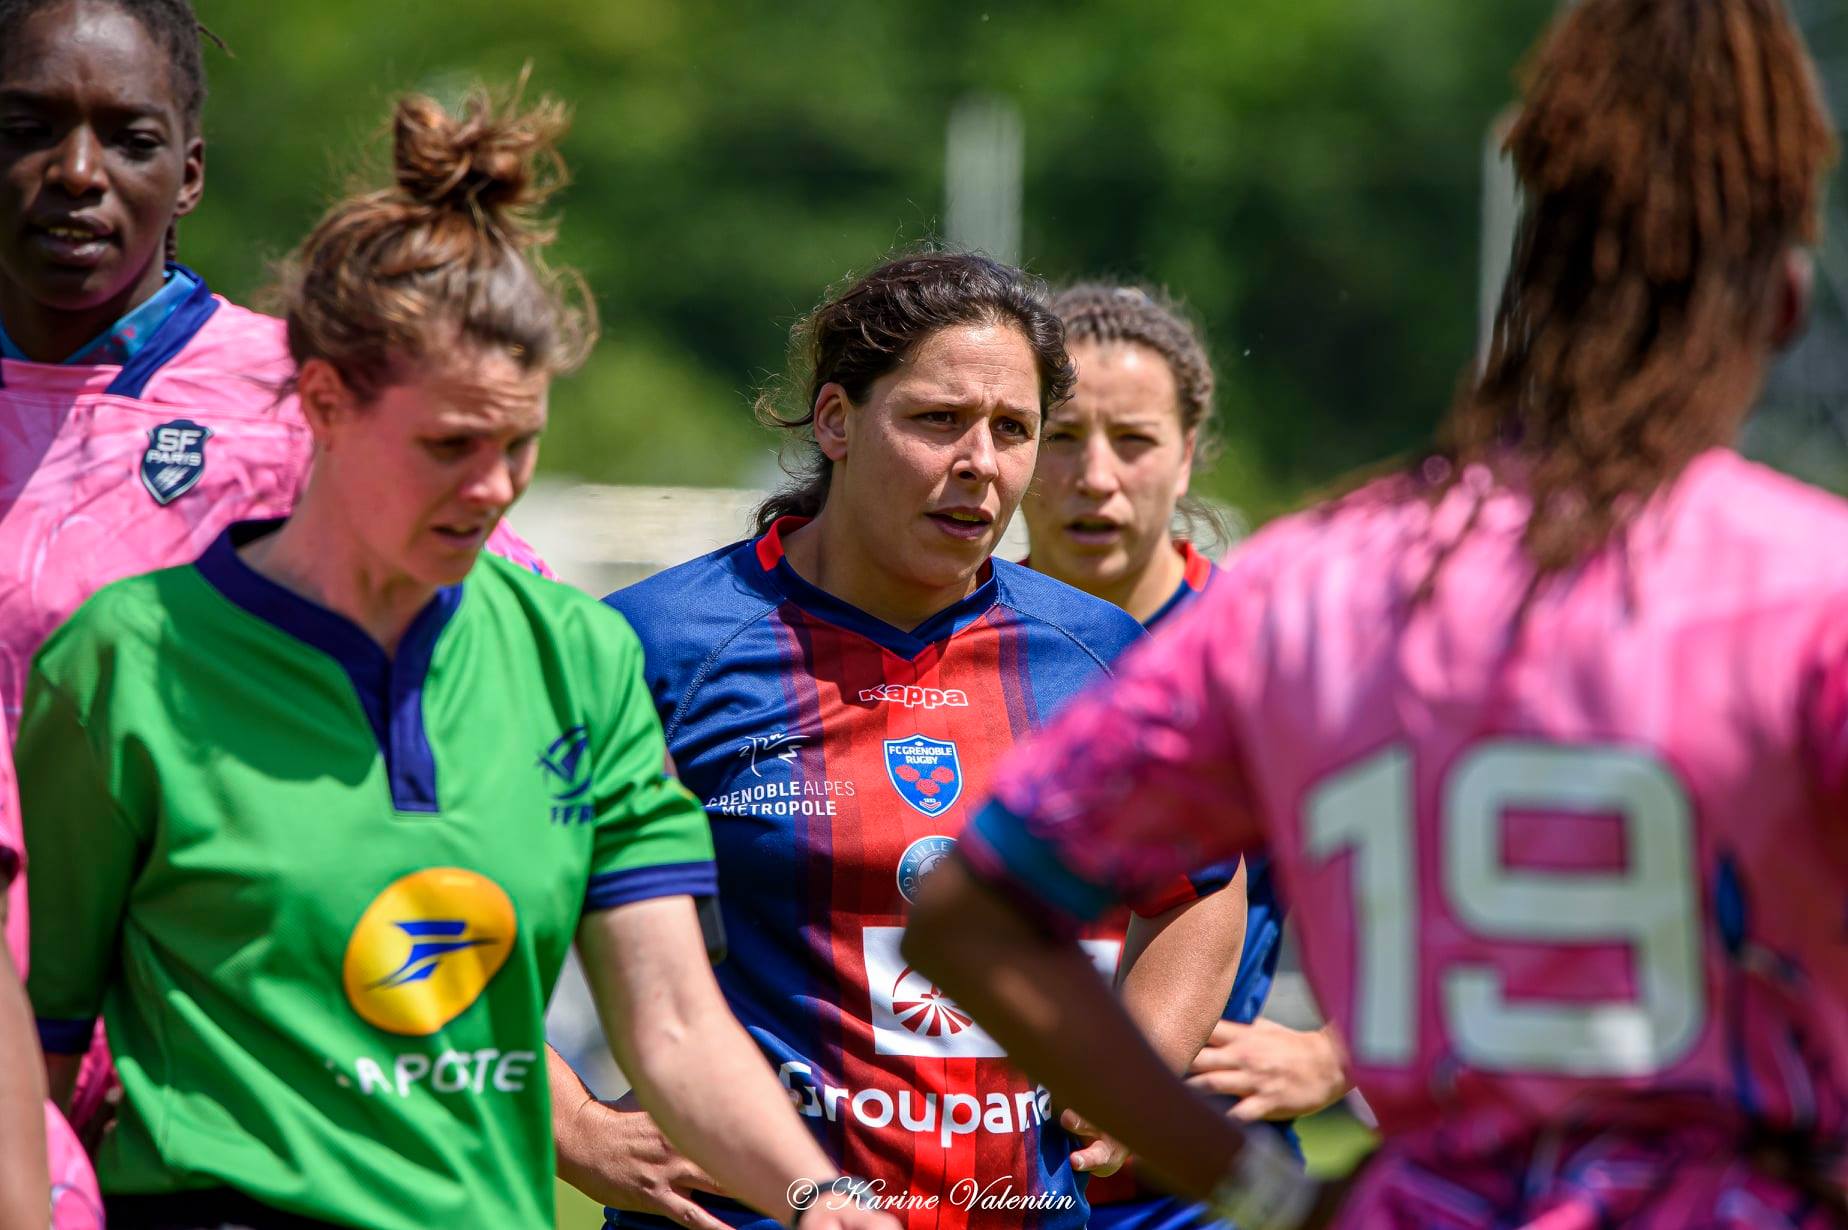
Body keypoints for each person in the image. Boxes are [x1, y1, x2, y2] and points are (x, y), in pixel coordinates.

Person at [903, 0, 1846, 1227]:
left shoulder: (1307, 588)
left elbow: (972, 917)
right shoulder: (1812, 589)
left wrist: (1263, 1196)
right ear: (1782, 303)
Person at [20, 86, 902, 1230]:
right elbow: (33, 1047)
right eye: (448, 446)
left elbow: (675, 1021)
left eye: (519, 442)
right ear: (325, 405)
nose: (492, 488)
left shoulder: (577, 655)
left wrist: (821, 1197)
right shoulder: (124, 661)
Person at [563, 251, 1247, 1230]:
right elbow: (466, 903)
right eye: (938, 420)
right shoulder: (654, 647)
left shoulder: (1098, 657)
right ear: (836, 420)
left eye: (1013, 430)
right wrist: (578, 1129)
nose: (981, 462)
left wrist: (1136, 1071)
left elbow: (1203, 890)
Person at [0, 0, 547, 1144]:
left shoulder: (295, 402)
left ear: (189, 172)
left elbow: (515, 662)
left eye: (131, 138)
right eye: (29, 126)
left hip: (204, 1089)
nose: (77, 173)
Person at [1021, 284, 1349, 1230]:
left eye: (1133, 440)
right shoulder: (949, 638)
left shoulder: (1276, 657)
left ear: (1190, 451)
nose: (1095, 476)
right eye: (1063, 436)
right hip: (972, 1172)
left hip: (1200, 1188)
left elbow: (1425, 884)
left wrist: (1333, 1056)